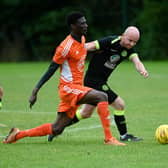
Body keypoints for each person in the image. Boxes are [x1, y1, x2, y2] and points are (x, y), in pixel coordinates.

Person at [2, 11, 125, 146]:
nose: (86, 25)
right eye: (82, 23)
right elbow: (52, 68)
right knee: (102, 96)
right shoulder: (65, 47)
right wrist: (35, 90)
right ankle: (109, 139)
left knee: (57, 129)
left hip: (77, 88)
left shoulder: (82, 40)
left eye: (85, 22)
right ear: (73, 26)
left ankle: (17, 135)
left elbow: (81, 55)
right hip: (68, 88)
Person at [48, 26, 149, 142]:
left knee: (85, 113)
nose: (131, 44)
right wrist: (72, 52)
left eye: (135, 42)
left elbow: (137, 61)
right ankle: (124, 135)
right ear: (123, 35)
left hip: (100, 81)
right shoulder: (110, 41)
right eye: (130, 40)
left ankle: (55, 129)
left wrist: (142, 69)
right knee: (119, 104)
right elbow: (88, 46)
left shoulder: (129, 50)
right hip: (93, 81)